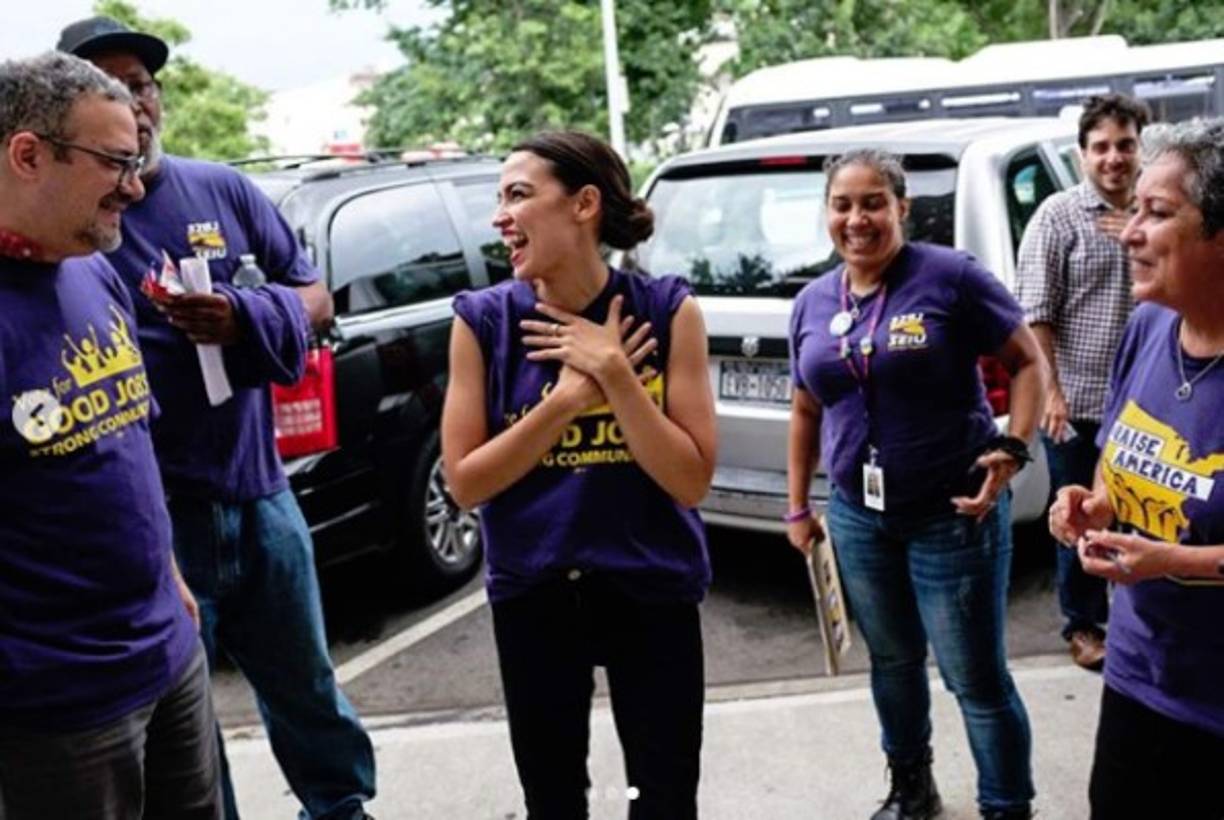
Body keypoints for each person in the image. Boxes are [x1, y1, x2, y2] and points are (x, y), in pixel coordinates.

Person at [57, 17, 376, 820]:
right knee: (185, 721)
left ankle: (340, 808)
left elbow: (313, 296)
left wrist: (245, 314)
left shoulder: (224, 189)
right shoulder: (71, 226)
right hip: (159, 516)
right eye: (110, 87)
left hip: (261, 492)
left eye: (144, 84)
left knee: (307, 685)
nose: (135, 102)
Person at [441, 130, 717, 819]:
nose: (500, 216)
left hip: (651, 586)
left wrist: (616, 375)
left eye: (519, 195)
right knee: (555, 799)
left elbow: (690, 481)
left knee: (664, 797)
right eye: (499, 199)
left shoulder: (668, 310)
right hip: (536, 593)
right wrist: (566, 400)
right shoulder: (483, 322)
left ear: (584, 204)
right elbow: (465, 484)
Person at [786, 149, 1044, 820]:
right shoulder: (814, 301)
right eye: (842, 205)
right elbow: (806, 408)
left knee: (975, 678)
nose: (857, 219)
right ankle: (911, 791)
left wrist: (1013, 447)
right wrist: (795, 506)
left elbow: (1027, 362)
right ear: (827, 215)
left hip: (954, 511)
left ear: (902, 207)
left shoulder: (949, 277)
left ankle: (1006, 807)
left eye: (873, 202)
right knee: (893, 664)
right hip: (857, 517)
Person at [0, 51, 220, 819]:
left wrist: (170, 575)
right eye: (116, 163)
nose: (136, 186)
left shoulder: (94, 270)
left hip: (169, 653)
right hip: (60, 708)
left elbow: (127, 443)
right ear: (28, 155)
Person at [1048, 117, 1224, 820]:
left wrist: (1171, 559)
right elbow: (1114, 476)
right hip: (1137, 678)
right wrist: (1091, 507)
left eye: (1157, 214)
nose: (1128, 233)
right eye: (1133, 212)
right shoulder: (1148, 328)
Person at [1015, 94, 1150, 671]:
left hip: (1149, 404)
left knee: (1147, 511)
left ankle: (1142, 618)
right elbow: (1036, 312)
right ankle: (1084, 625)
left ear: (1140, 148)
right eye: (1102, 148)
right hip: (1081, 401)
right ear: (1082, 155)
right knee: (1080, 514)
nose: (1114, 158)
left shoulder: (1160, 209)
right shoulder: (1058, 215)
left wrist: (1141, 234)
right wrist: (1053, 392)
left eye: (1125, 145)